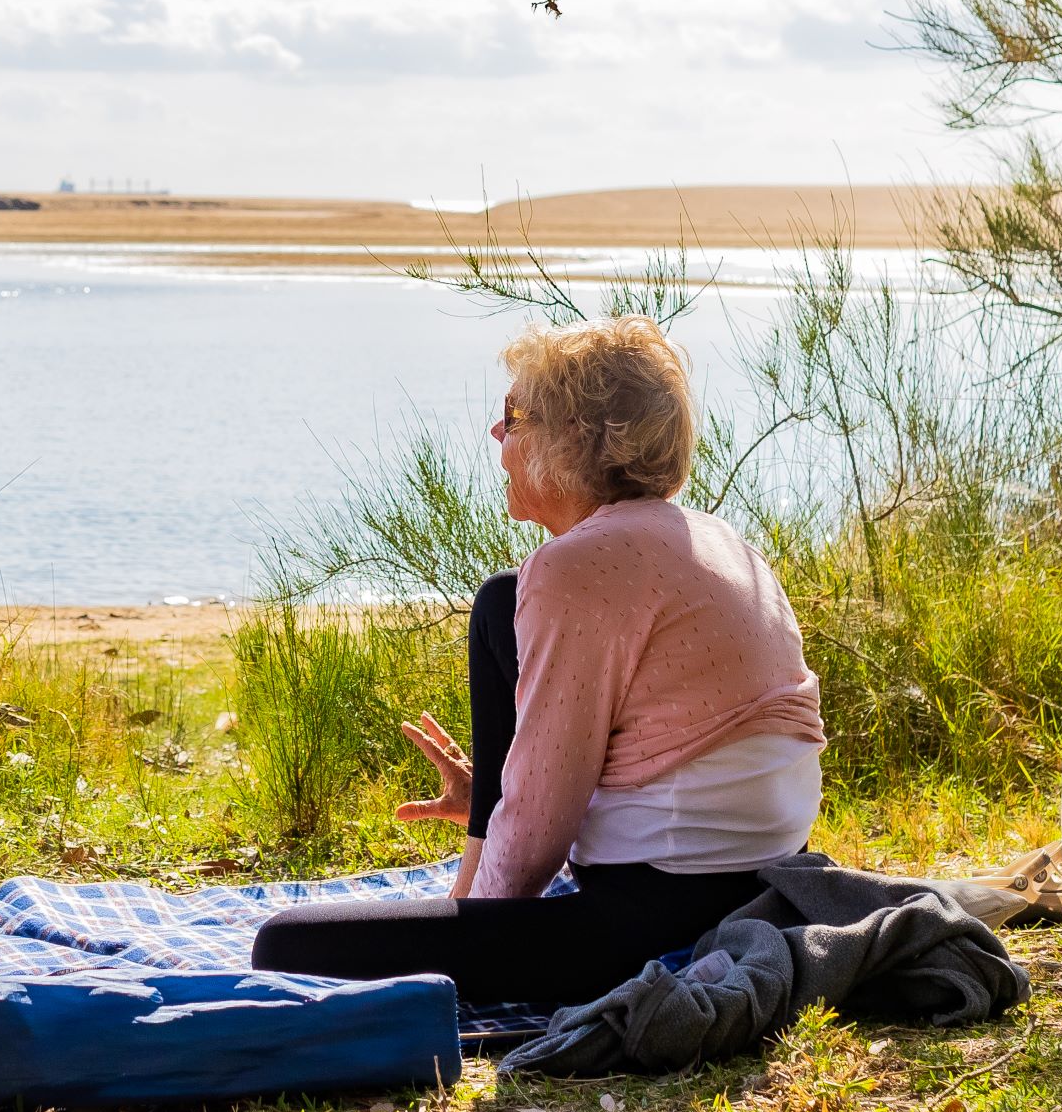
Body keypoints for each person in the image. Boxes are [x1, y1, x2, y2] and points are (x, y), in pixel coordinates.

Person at [250, 315, 824, 1006]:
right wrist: (487, 806)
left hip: (668, 910)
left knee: (285, 944)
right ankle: (474, 854)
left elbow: (535, 842)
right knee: (499, 603)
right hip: (768, 881)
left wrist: (476, 926)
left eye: (513, 416)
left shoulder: (577, 565)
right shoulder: (712, 537)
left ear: (574, 437)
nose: (498, 433)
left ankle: (468, 901)